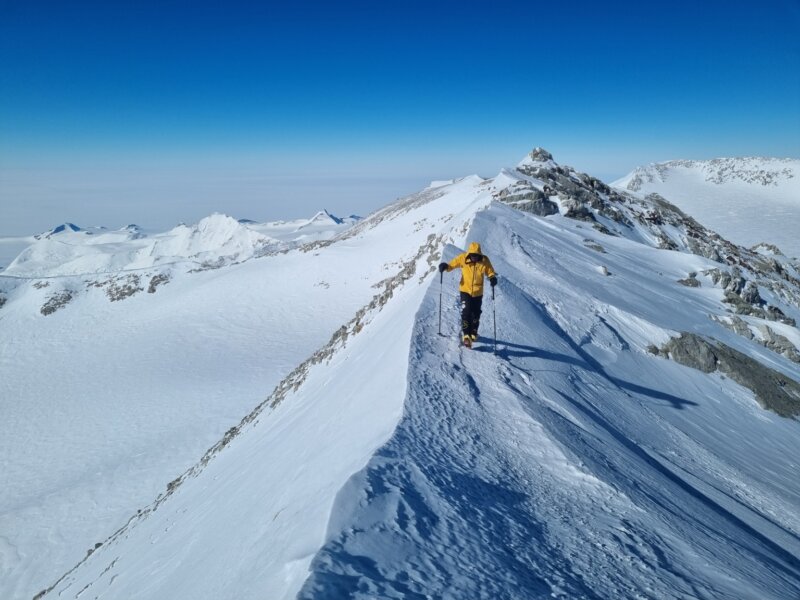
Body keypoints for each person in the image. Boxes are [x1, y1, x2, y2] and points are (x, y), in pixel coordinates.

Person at [439, 242, 497, 347]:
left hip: (478, 292)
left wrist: (492, 277)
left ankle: (473, 332)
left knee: (476, 313)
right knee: (466, 311)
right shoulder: (463, 258)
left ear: (479, 254)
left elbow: (490, 271)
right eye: (472, 255)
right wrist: (445, 266)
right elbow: (452, 265)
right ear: (469, 254)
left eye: (476, 255)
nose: (474, 257)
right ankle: (466, 335)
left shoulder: (484, 260)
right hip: (465, 290)